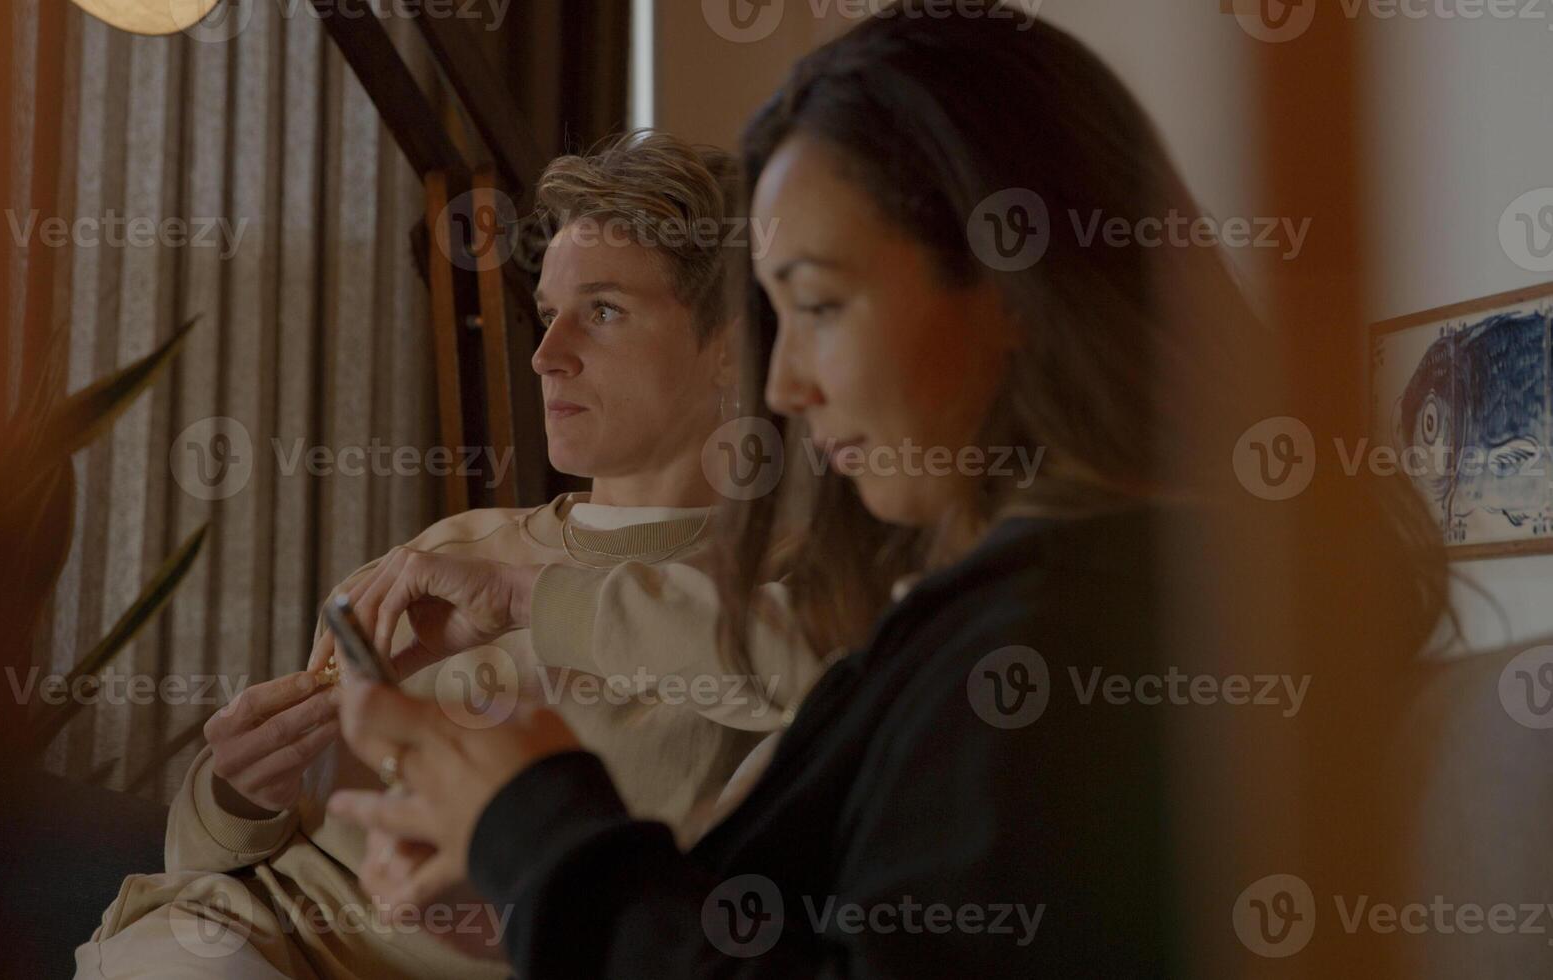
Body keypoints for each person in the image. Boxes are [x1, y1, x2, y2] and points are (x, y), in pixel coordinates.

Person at [323, 5, 1451, 977]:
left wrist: (541, 829)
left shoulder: (1065, 641)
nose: (782, 385)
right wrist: (527, 891)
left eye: (815, 306)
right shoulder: (1013, 608)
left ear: (1011, 284)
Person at [74, 130, 823, 979]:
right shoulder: (450, 551)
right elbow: (213, 861)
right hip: (263, 939)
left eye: (603, 311)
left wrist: (531, 599)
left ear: (729, 343)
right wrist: (238, 792)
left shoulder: (789, 598)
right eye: (547, 316)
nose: (546, 355)